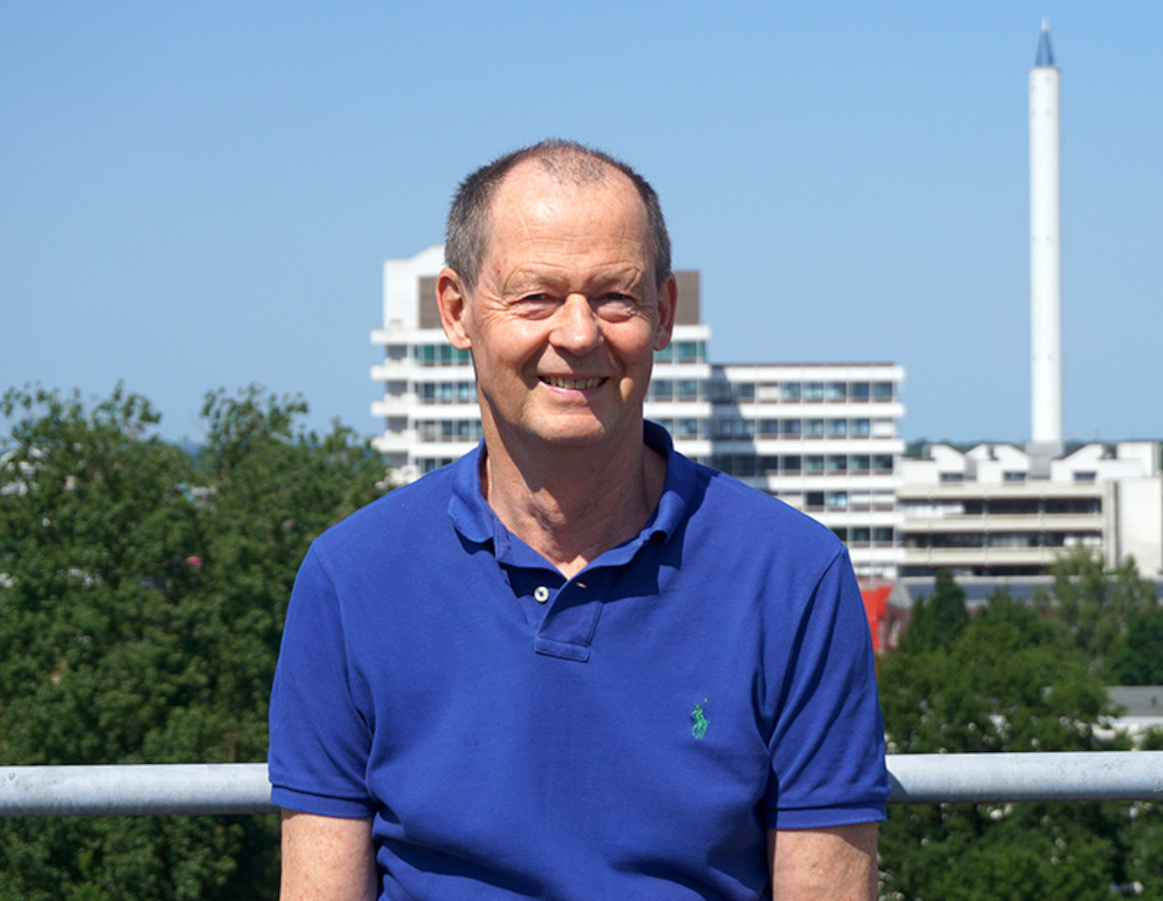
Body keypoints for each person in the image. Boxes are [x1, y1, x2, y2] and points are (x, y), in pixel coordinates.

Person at [269, 139, 889, 900]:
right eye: (535, 296)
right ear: (457, 312)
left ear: (663, 315)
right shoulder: (352, 579)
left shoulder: (791, 576)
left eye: (614, 297)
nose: (577, 333)